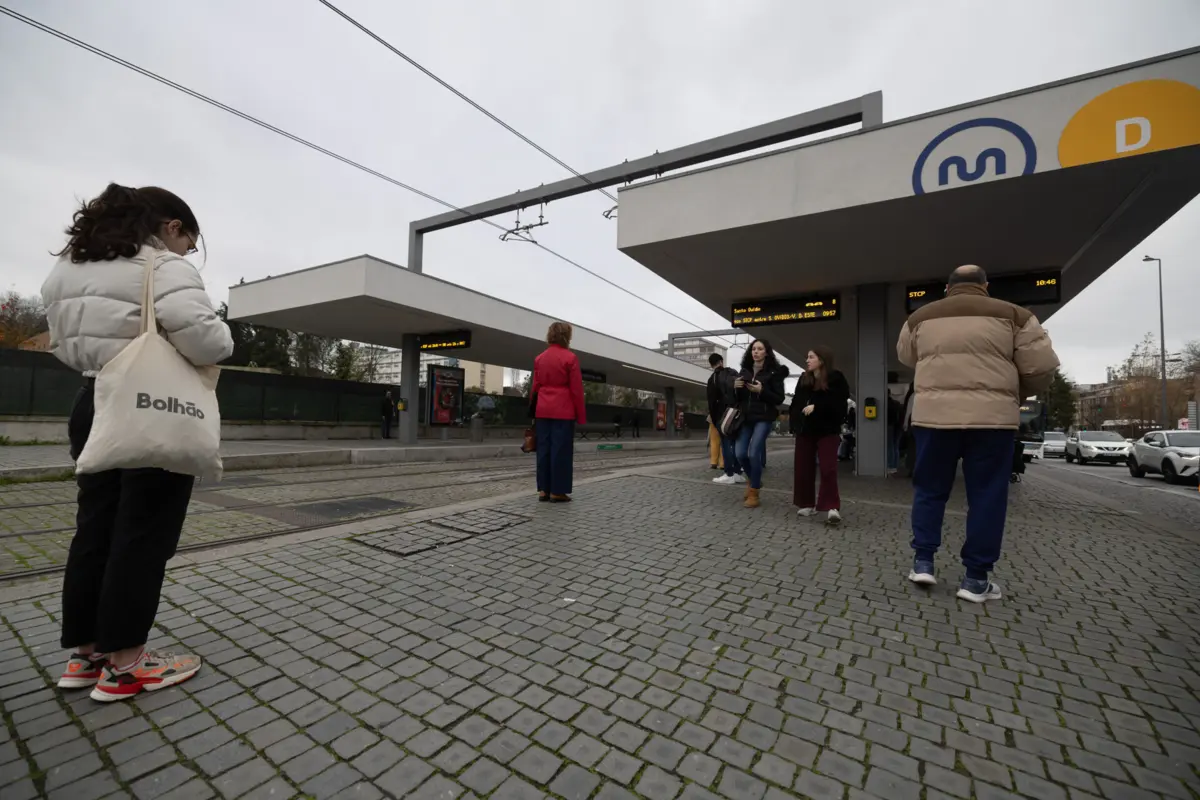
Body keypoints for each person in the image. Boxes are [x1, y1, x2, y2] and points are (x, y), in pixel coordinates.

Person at [41, 183, 233, 701]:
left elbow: (61, 341)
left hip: (91, 400)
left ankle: (84, 657)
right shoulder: (161, 266)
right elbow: (208, 341)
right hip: (149, 406)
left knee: (95, 530)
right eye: (188, 243)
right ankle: (126, 665)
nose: (186, 253)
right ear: (171, 228)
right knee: (142, 535)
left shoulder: (67, 270)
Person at [898, 264, 1059, 602]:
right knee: (987, 495)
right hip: (992, 421)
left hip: (934, 420)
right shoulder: (1016, 316)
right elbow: (1041, 367)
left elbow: (906, 356)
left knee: (929, 489)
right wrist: (1015, 391)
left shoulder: (920, 317)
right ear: (985, 286)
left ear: (947, 287)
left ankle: (923, 561)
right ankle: (975, 580)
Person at [790, 346, 850, 524]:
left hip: (827, 430)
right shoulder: (804, 379)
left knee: (828, 468)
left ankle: (831, 506)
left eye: (811, 357)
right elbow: (796, 402)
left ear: (821, 360)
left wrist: (818, 407)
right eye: (807, 357)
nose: (807, 360)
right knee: (802, 468)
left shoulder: (836, 378)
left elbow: (839, 402)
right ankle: (806, 503)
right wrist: (795, 422)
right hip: (805, 431)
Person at [532, 321, 587, 502]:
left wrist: (532, 410)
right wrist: (581, 415)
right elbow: (576, 390)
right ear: (567, 336)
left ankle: (543, 490)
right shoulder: (570, 358)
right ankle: (557, 491)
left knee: (543, 449)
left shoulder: (539, 358)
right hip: (563, 410)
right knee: (560, 451)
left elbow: (535, 387)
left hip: (542, 409)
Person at [733, 340, 789, 508]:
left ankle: (754, 492)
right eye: (753, 349)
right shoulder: (745, 371)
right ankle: (754, 479)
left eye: (759, 349)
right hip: (746, 418)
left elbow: (779, 398)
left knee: (753, 454)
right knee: (740, 453)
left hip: (764, 418)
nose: (755, 352)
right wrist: (734, 387)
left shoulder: (774, 373)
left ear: (766, 352)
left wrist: (761, 391)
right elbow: (738, 398)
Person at [706, 353, 743, 485]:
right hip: (736, 414)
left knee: (726, 444)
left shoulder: (713, 379)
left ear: (711, 365)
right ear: (721, 361)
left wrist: (716, 420)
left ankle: (729, 473)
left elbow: (711, 402)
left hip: (723, 417)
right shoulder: (733, 372)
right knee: (735, 444)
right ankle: (738, 472)